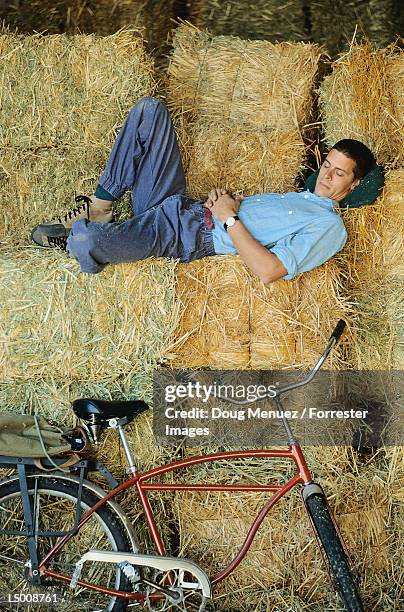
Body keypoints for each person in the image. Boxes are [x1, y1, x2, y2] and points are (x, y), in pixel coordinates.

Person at [31, 97, 379, 283]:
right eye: (327, 166)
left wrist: (228, 219)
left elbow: (269, 270)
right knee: (149, 112)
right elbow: (244, 220)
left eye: (338, 174)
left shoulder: (330, 227)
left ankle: (90, 236)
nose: (326, 176)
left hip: (185, 237)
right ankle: (102, 205)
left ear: (354, 184)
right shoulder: (297, 198)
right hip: (180, 206)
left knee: (86, 241)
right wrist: (224, 203)